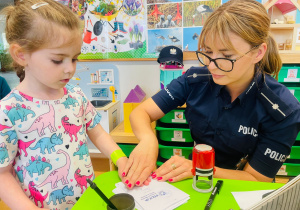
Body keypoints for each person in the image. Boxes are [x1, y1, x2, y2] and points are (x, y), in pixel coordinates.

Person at [124, 0, 300, 187]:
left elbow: (257, 179)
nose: (211, 65)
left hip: (241, 190)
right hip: (197, 183)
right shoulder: (195, 79)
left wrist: (201, 169)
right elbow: (140, 112)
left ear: (258, 53)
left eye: (226, 56)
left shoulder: (284, 111)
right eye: (208, 52)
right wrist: (148, 140)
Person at [0, 0, 129, 209]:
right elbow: (2, 175)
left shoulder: (76, 95)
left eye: (75, 58)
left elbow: (97, 132)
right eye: (58, 60)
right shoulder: (7, 111)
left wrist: (120, 158)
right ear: (21, 55)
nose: (70, 69)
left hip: (87, 201)